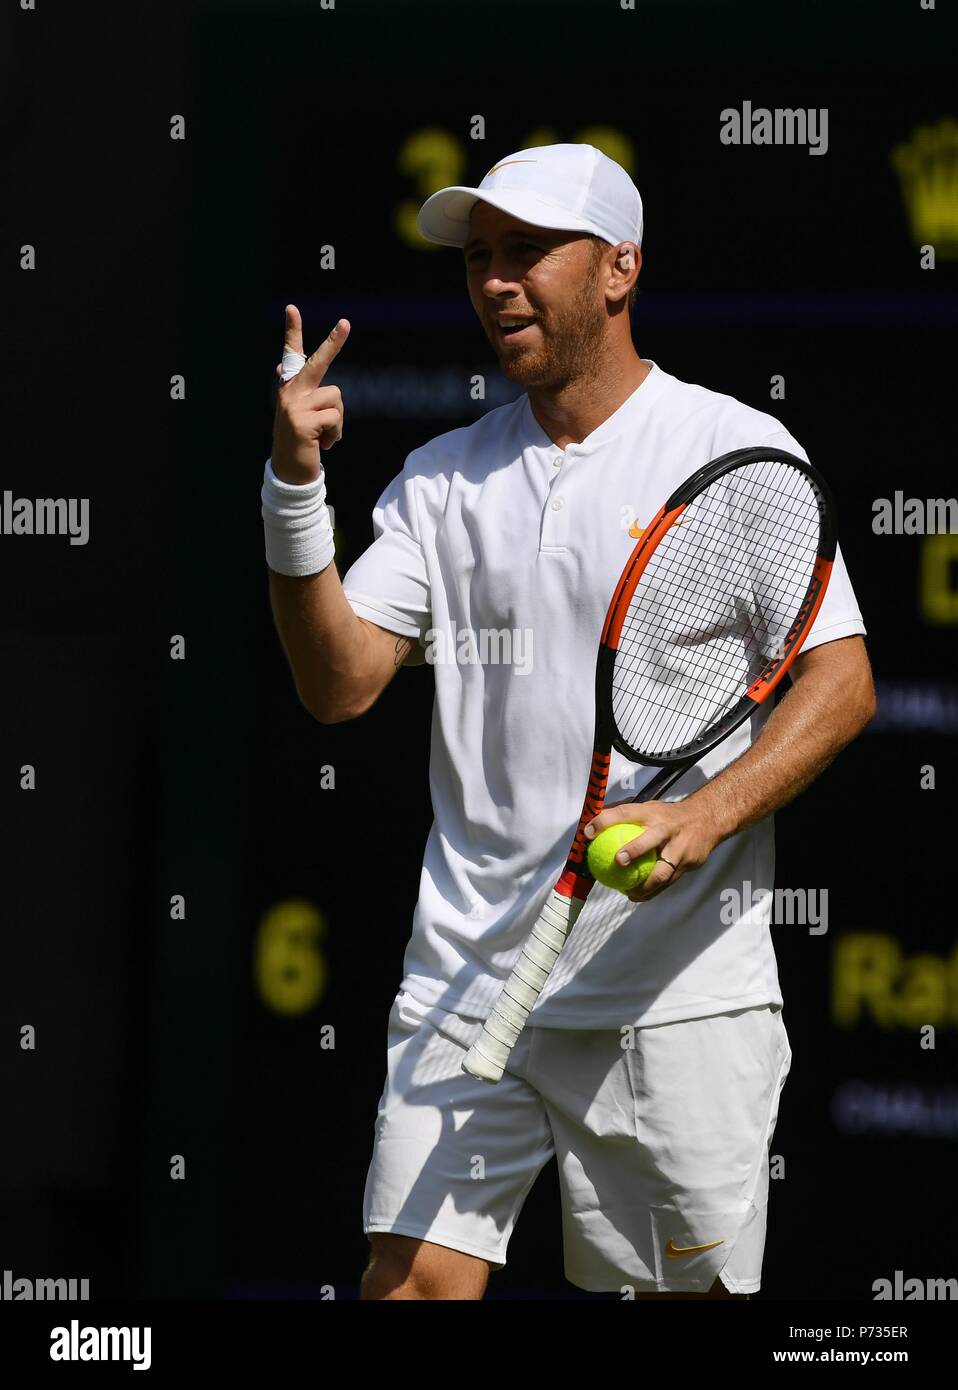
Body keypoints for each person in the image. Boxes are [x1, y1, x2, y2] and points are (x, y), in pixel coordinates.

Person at [261, 144, 875, 1301]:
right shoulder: (440, 478)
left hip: (671, 999)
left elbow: (840, 684)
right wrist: (295, 492)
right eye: (480, 258)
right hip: (466, 975)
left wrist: (701, 817)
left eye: (529, 252)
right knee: (409, 1284)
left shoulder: (728, 451)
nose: (496, 281)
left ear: (618, 268)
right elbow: (338, 683)